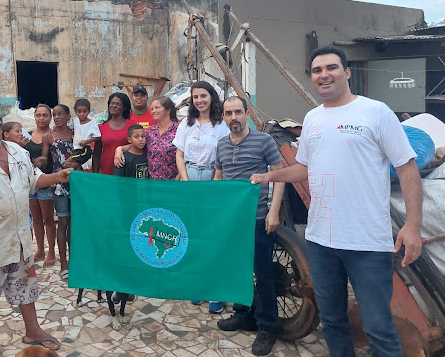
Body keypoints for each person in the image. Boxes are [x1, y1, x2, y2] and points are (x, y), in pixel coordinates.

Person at [251, 46, 423, 357]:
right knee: (331, 321)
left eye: (331, 68)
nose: (323, 74)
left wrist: (412, 225)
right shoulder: (313, 119)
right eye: (317, 70)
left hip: (368, 243)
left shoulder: (376, 112)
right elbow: (304, 167)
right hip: (320, 241)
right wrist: (269, 177)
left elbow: (406, 167)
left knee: (378, 328)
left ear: (346, 72)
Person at [0, 107, 69, 355]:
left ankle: (33, 330)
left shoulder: (17, 152)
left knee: (26, 287)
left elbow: (33, 180)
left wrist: (58, 176)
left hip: (19, 239)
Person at [214, 96, 285, 356]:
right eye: (228, 113)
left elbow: (279, 175)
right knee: (237, 270)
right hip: (232, 220)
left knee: (263, 274)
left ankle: (267, 326)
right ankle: (243, 314)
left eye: (238, 112)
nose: (233, 117)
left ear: (247, 114)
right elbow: (219, 177)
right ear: (223, 117)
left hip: (257, 218)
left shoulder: (264, 141)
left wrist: (273, 212)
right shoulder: (221, 144)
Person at [173, 81, 230, 314]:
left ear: (211, 97)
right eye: (195, 97)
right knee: (193, 235)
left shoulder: (221, 126)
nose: (199, 100)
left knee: (212, 236)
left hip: (212, 179)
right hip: (190, 178)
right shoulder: (186, 124)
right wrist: (185, 182)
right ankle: (198, 284)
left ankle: (216, 289)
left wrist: (216, 181)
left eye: (203, 96)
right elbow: (179, 154)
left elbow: (225, 155)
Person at [114, 96, 179, 180]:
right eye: (152, 109)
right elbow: (138, 144)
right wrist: (120, 149)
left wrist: (178, 179)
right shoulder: (150, 131)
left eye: (157, 108)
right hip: (151, 183)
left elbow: (185, 156)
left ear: (168, 110)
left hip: (173, 182)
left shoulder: (179, 130)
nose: (153, 111)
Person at [24, 104, 56, 267]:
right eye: (38, 115)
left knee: (48, 219)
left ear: (50, 118)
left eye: (45, 115)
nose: (41, 118)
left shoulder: (53, 136)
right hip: (31, 183)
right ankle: (40, 250)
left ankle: (51, 251)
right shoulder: (28, 136)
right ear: (34, 117)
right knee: (36, 219)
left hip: (46, 181)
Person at [49, 104, 78, 279]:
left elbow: (86, 152)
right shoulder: (49, 136)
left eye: (60, 114)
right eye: (55, 115)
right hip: (59, 183)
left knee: (74, 223)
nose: (57, 117)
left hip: (75, 182)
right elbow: (46, 162)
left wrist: (76, 163)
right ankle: (64, 264)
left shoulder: (76, 134)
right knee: (62, 222)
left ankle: (74, 259)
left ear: (68, 115)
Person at [93, 92, 134, 175]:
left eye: (118, 104)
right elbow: (96, 154)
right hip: (106, 173)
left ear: (124, 107)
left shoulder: (133, 126)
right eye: (112, 103)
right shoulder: (101, 127)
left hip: (128, 172)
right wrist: (95, 174)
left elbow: (139, 147)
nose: (114, 106)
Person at [69, 98, 101, 169]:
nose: (82, 114)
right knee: (76, 166)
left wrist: (86, 141)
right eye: (79, 112)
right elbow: (69, 129)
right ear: (75, 111)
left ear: (89, 111)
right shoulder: (75, 121)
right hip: (76, 149)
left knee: (67, 163)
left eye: (84, 111)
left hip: (84, 150)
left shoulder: (92, 123)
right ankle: (80, 172)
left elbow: (98, 136)